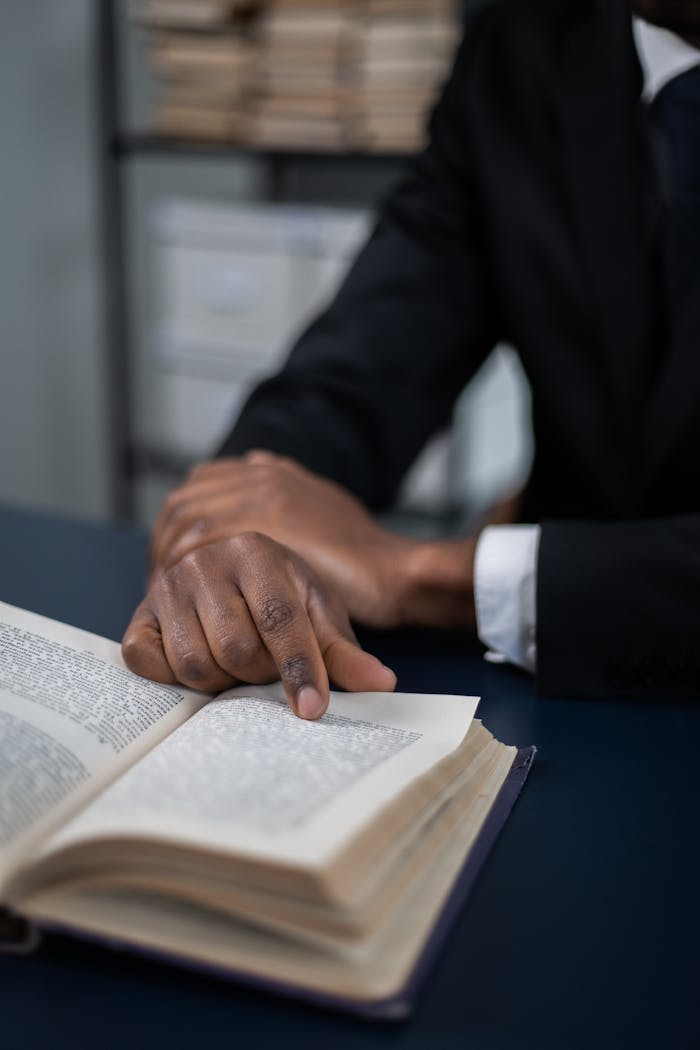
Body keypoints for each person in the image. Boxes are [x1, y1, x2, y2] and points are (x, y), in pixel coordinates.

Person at [122, 0, 700, 718]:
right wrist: (253, 531)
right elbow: (371, 350)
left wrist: (422, 573)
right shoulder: (526, 37)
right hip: (540, 698)